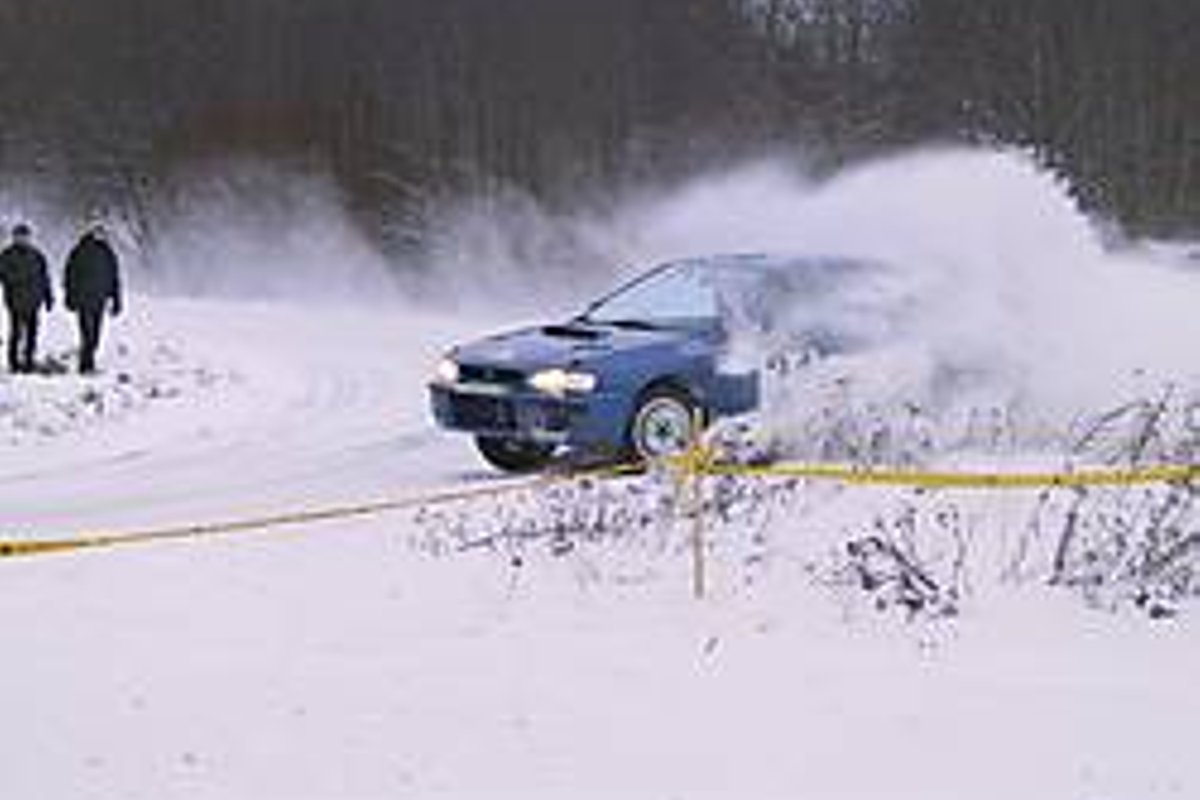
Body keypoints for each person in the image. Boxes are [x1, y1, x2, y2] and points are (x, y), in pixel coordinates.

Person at [64, 223, 122, 374]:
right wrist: (70, 296)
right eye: (97, 232)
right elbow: (70, 275)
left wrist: (116, 300)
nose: (100, 235)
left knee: (96, 336)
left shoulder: (108, 252)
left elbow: (114, 278)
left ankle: (89, 361)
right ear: (90, 233)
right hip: (83, 299)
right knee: (87, 334)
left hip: (100, 300)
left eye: (102, 232)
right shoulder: (79, 250)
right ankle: (85, 365)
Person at [0, 223, 53, 374]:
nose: (22, 239)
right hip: (15, 301)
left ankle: (28, 361)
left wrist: (48, 297)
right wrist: (18, 279)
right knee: (16, 333)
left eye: (25, 236)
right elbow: (3, 275)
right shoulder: (6, 255)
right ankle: (14, 363)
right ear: (14, 238)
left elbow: (44, 278)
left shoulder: (37, 255)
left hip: (34, 301)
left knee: (32, 333)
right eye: (19, 236)